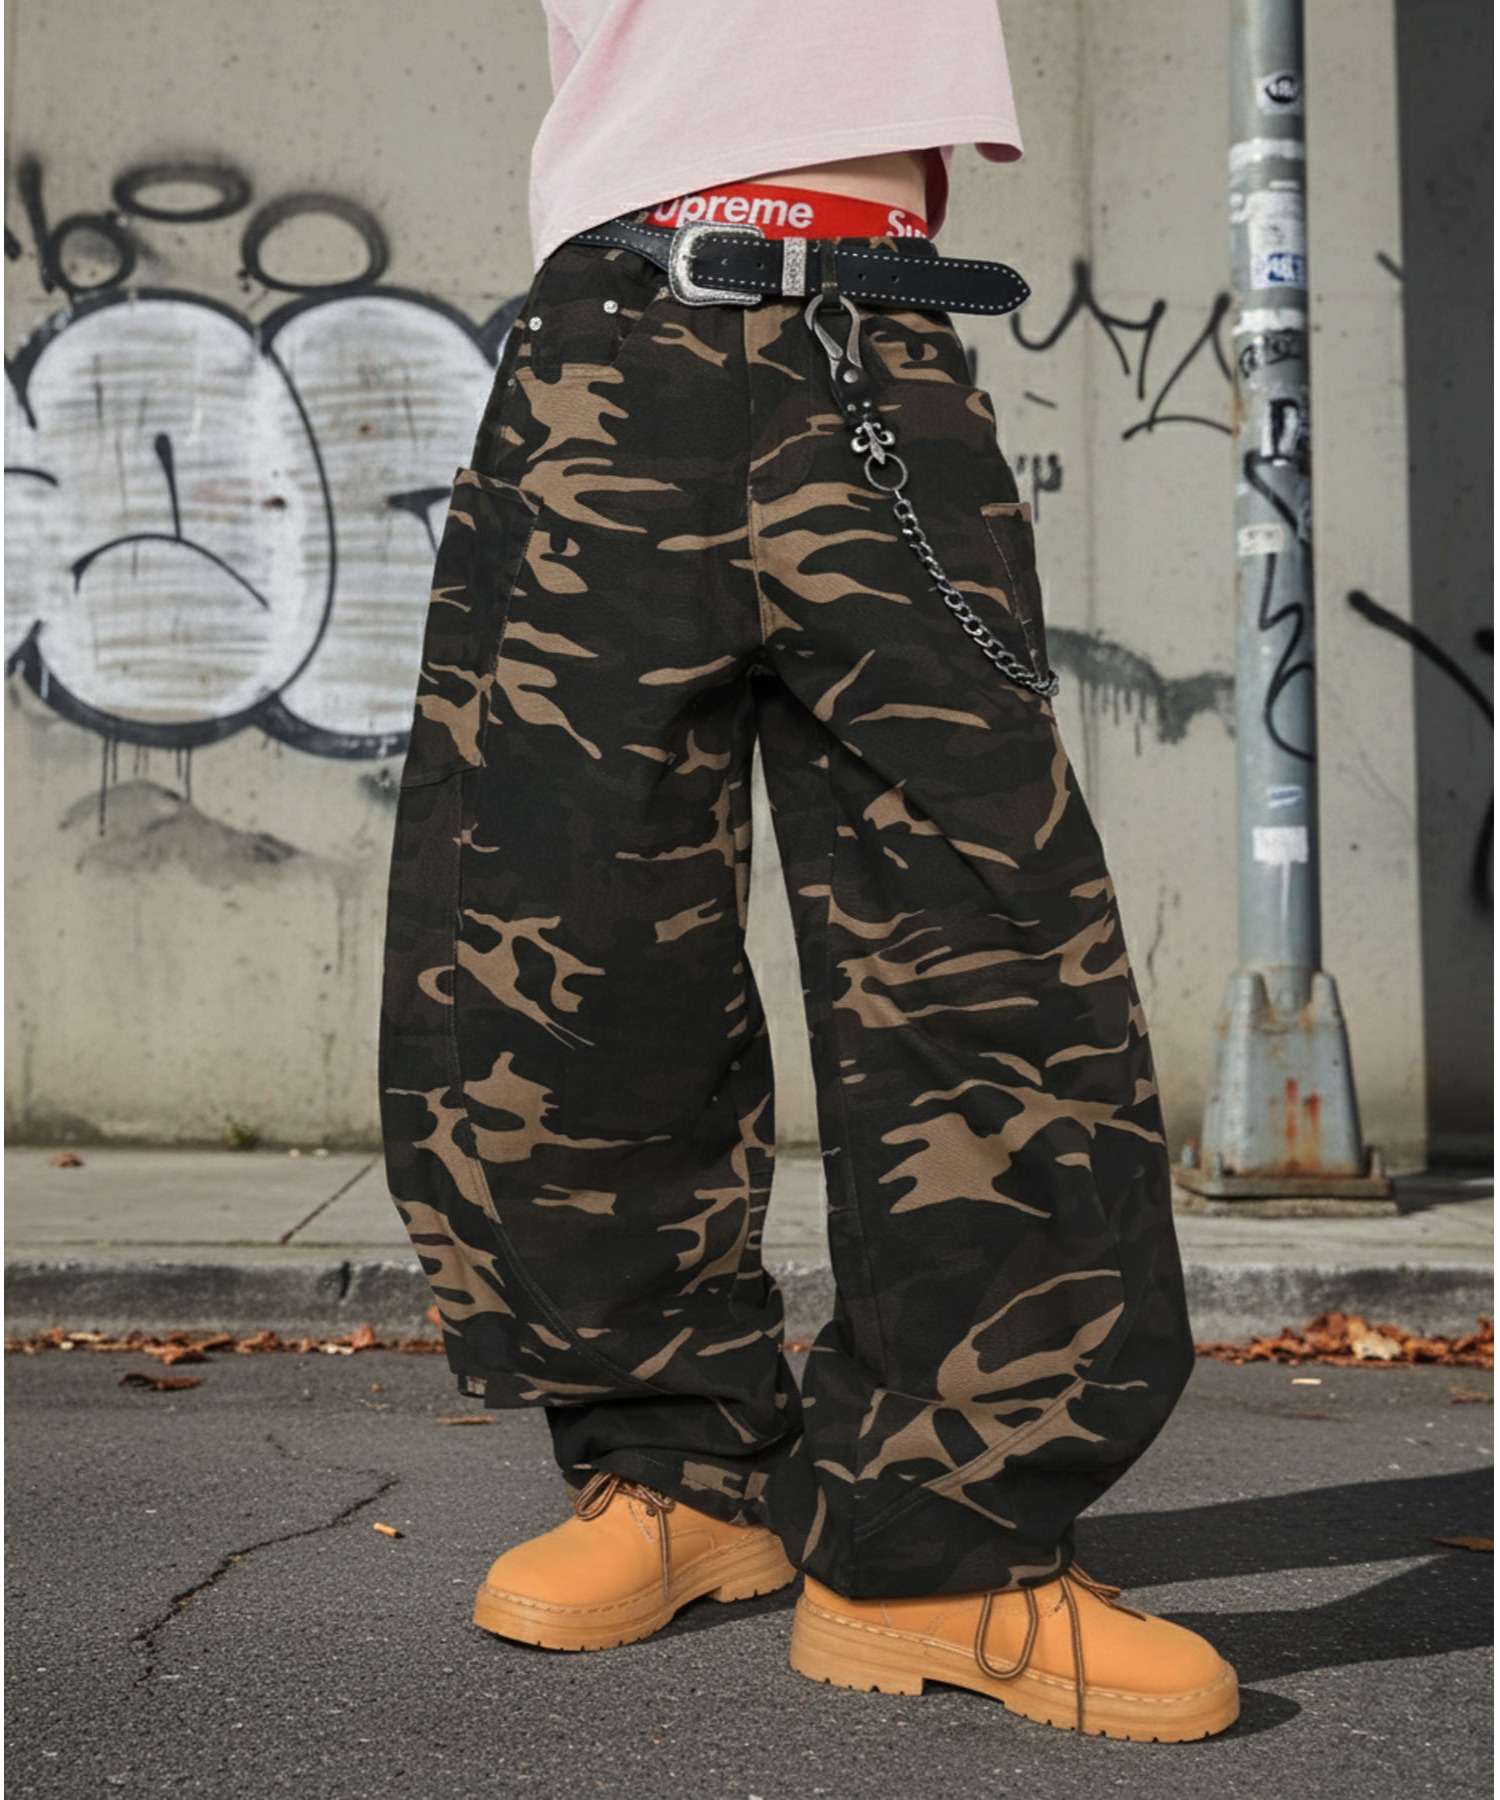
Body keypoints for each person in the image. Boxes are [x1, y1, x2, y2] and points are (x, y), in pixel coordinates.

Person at [379, 0, 1239, 1743]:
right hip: (613, 344)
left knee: (985, 933)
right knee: (568, 933)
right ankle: (674, 1471)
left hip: (875, 336)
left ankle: (943, 1553)